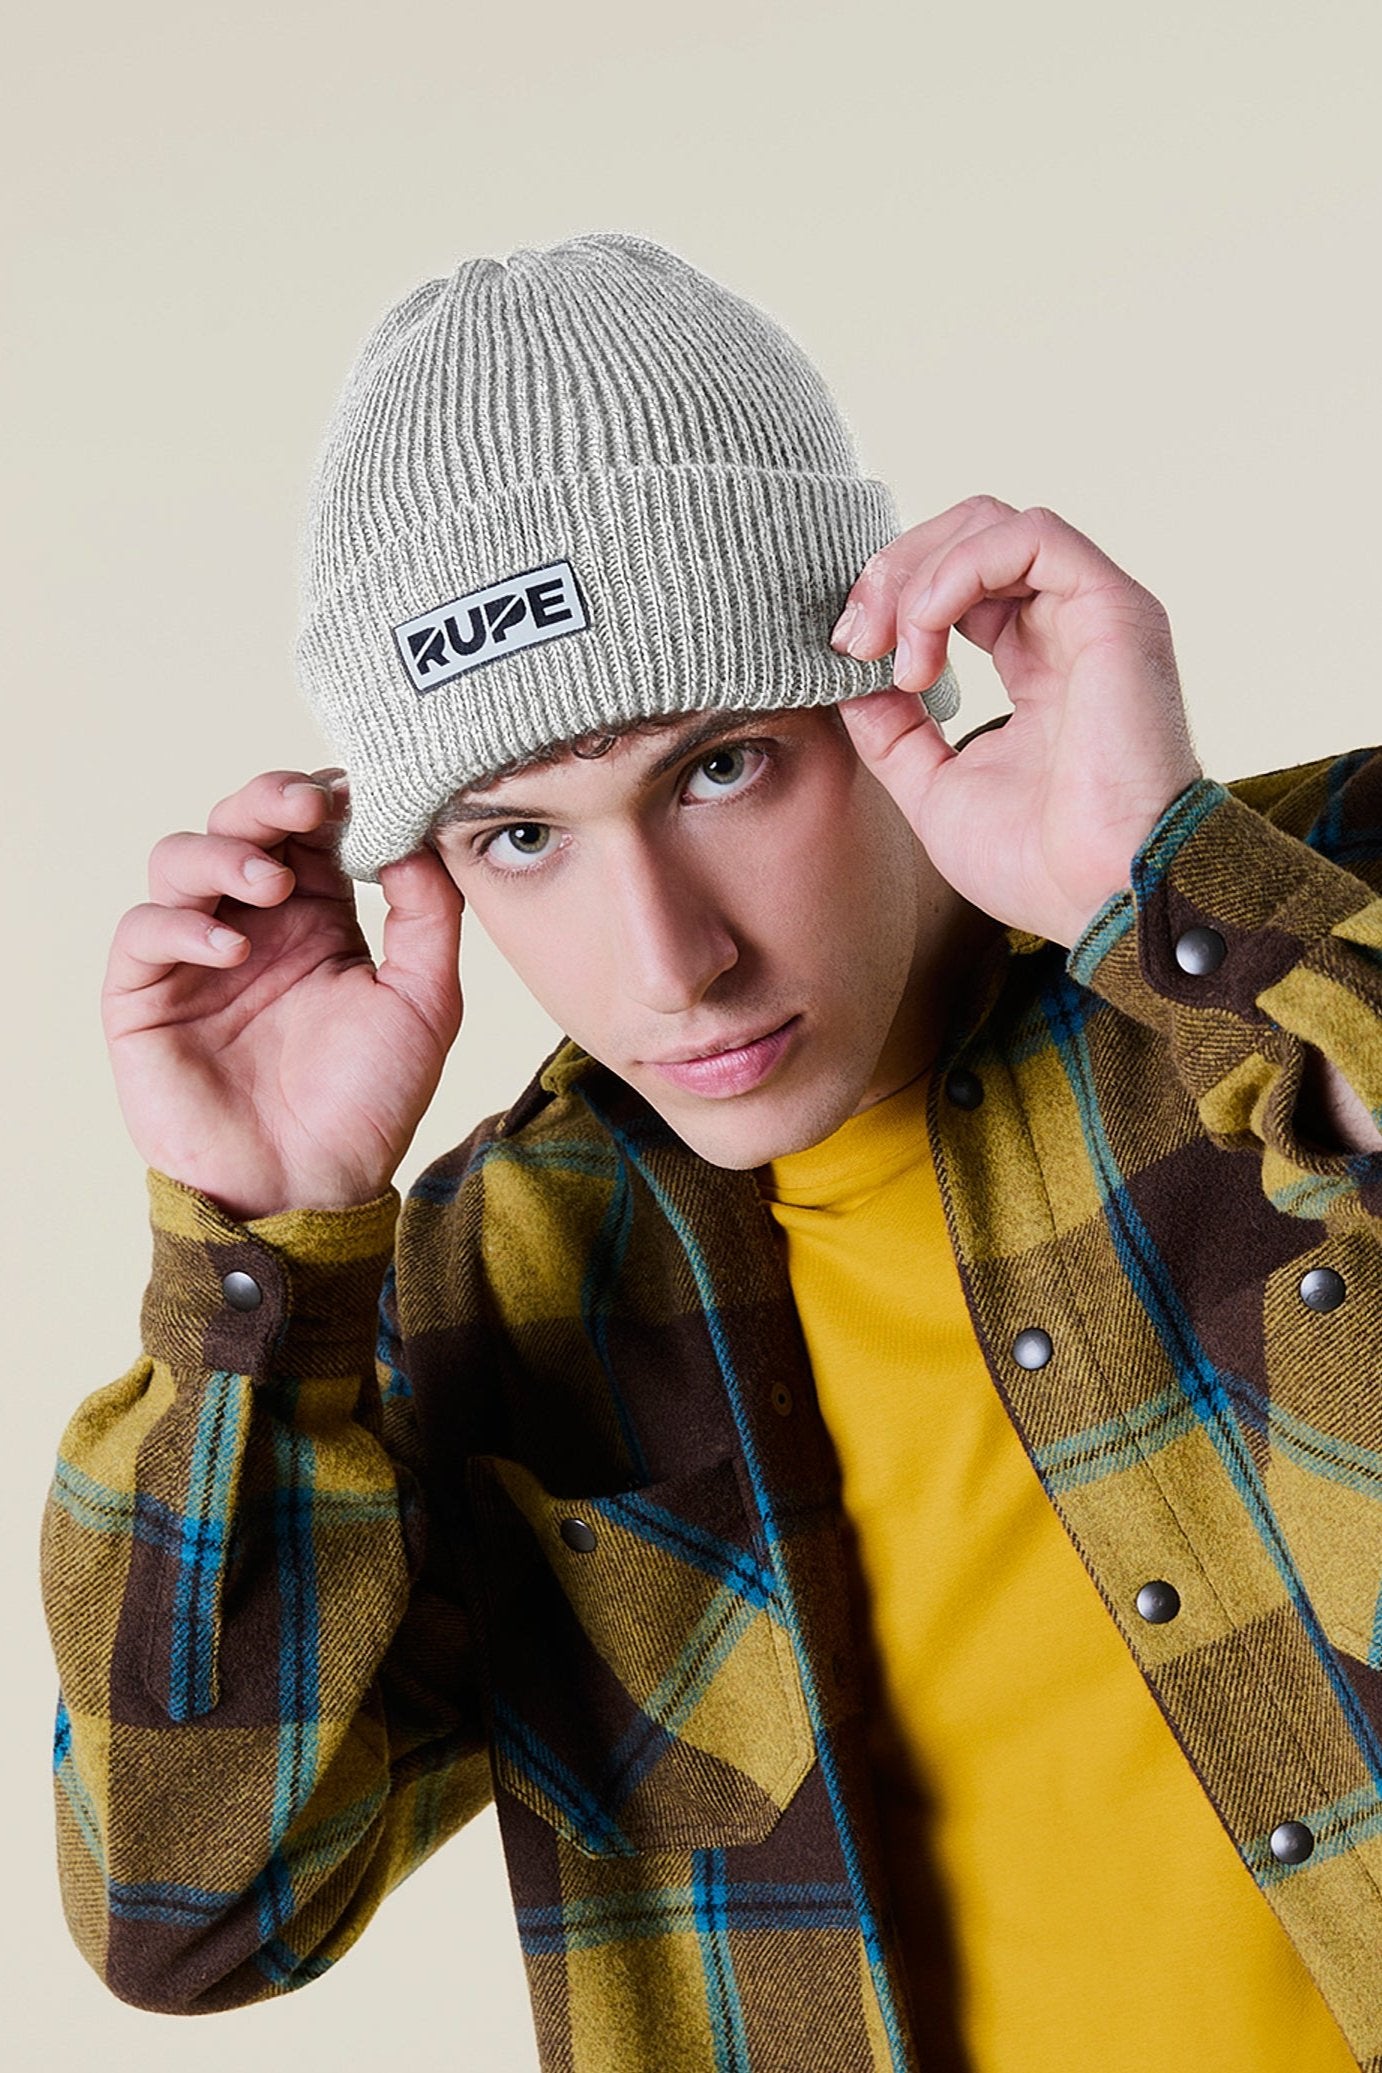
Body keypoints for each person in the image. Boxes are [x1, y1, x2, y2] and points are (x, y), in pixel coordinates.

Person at [41, 233, 1382, 2071]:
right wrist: (259, 1262)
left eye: (721, 767)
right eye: (521, 837)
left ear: (880, 678)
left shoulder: (1316, 921)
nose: (668, 961)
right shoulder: (494, 1281)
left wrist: (1188, 906)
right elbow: (187, 1913)